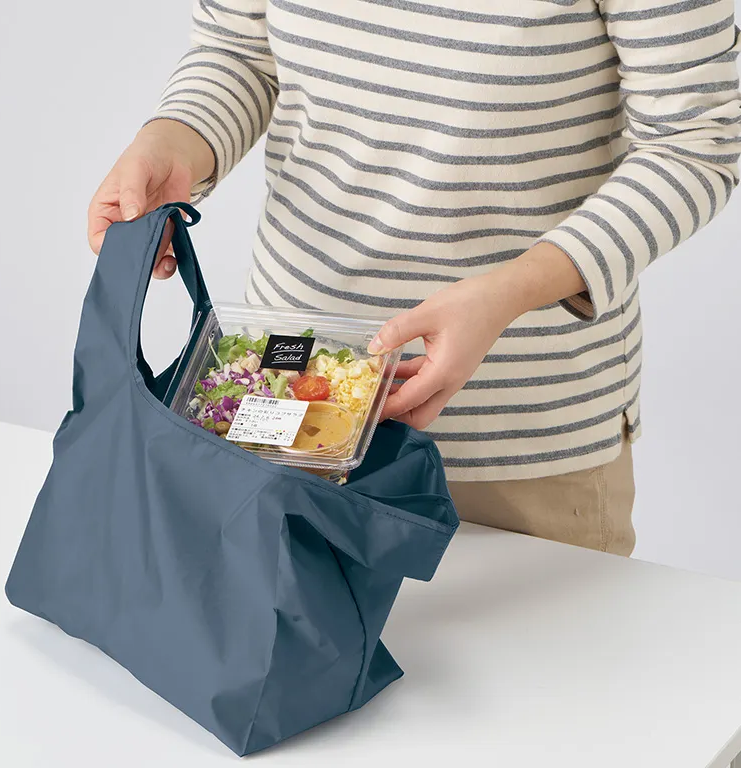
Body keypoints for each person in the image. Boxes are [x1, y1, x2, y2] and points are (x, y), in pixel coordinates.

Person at [88, 0, 740, 572]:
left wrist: (508, 292)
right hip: (286, 396)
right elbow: (240, 52)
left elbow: (698, 139)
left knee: (540, 675)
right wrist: (173, 142)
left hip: (519, 438)